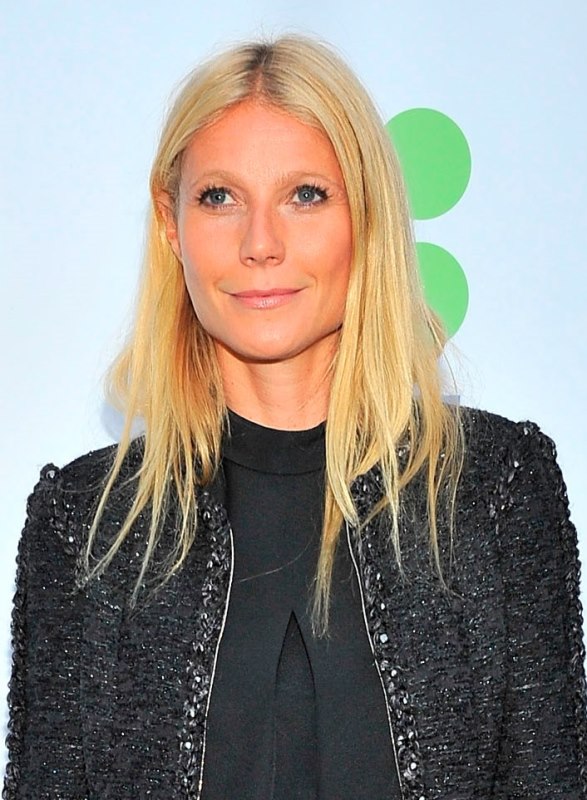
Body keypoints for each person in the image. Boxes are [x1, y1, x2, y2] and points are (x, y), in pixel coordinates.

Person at [3, 34, 586, 800]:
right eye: (219, 197)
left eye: (305, 195)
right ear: (171, 223)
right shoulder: (86, 525)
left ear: (366, 214)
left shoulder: (493, 491)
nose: (260, 244)